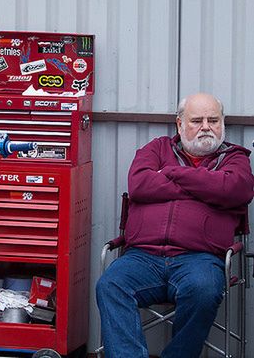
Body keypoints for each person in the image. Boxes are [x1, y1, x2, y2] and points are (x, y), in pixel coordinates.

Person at [96, 92, 254, 358]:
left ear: (222, 123)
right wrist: (205, 185)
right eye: (197, 120)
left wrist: (172, 173)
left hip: (200, 259)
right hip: (142, 257)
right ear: (180, 124)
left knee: (204, 290)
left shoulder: (234, 158)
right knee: (110, 285)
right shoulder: (156, 149)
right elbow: (139, 185)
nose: (206, 126)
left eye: (213, 120)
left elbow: (235, 189)